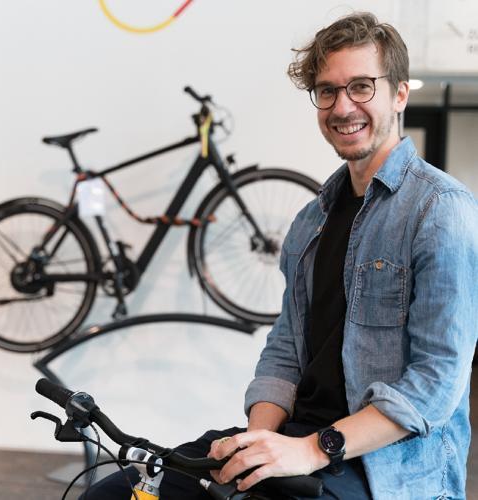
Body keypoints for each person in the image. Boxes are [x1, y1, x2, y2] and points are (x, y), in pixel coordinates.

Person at [82, 12, 478, 500]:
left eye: (361, 86)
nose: (342, 106)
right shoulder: (311, 220)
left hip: (386, 467)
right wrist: (258, 443)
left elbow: (436, 382)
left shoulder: (441, 210)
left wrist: (313, 449)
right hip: (297, 441)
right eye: (327, 91)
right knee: (114, 494)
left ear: (399, 94)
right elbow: (286, 348)